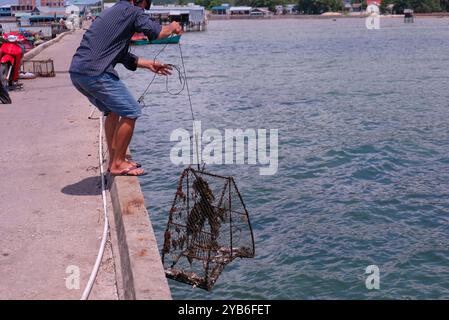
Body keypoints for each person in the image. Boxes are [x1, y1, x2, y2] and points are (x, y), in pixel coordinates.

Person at [69, 0, 182, 176]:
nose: (143, 10)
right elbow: (157, 32)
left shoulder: (114, 11)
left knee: (113, 111)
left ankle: (114, 158)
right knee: (131, 110)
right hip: (96, 71)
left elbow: (121, 55)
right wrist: (172, 27)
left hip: (78, 72)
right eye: (145, 6)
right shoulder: (133, 10)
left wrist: (149, 64)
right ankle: (118, 164)